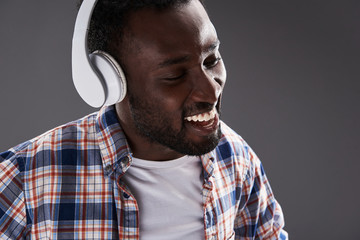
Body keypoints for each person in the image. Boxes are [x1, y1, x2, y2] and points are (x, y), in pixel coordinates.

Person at [0, 0, 288, 239]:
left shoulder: (237, 161)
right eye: (175, 76)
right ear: (110, 83)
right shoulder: (26, 177)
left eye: (211, 60)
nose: (211, 90)